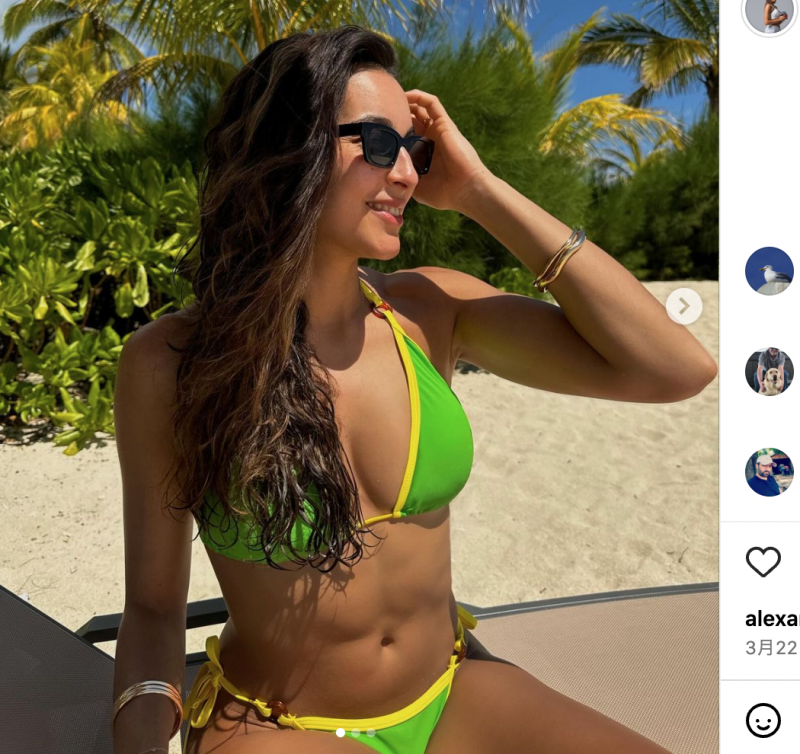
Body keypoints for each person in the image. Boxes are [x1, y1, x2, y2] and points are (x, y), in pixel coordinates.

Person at [111, 25, 717, 754]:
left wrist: (481, 192)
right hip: (278, 727)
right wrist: (140, 741)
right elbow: (153, 608)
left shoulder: (429, 313)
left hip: (449, 691)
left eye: (414, 150)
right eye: (377, 142)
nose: (406, 174)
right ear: (288, 149)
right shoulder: (172, 364)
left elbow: (674, 369)